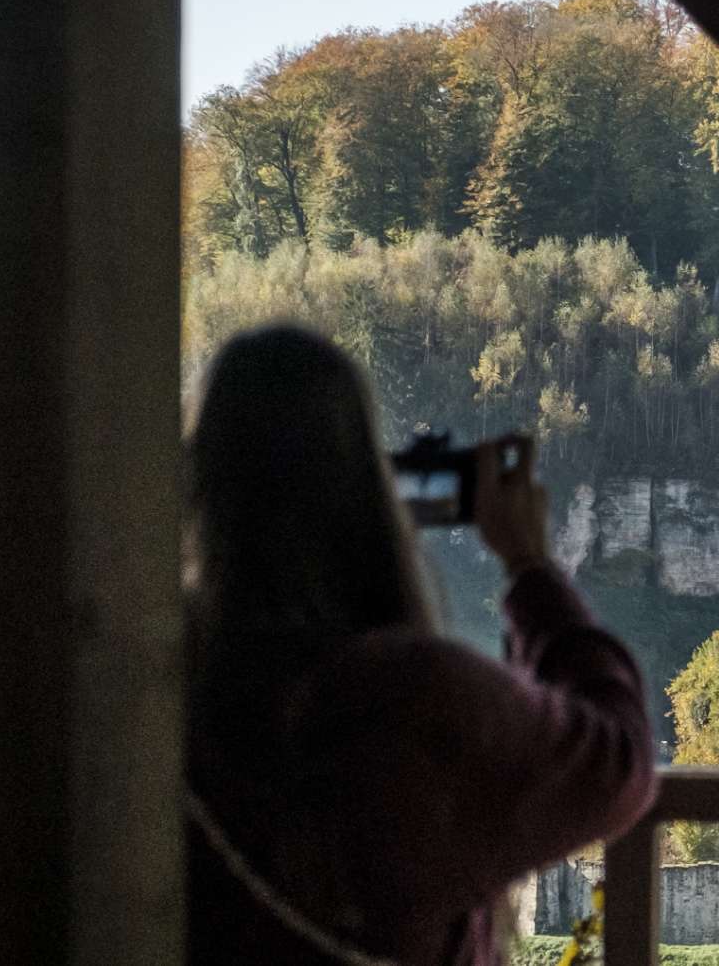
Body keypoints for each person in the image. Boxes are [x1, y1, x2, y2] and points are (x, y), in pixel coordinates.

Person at [183, 326, 655, 965]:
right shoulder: (413, 698)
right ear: (369, 488)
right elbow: (617, 764)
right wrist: (530, 565)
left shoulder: (161, 686)